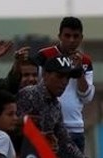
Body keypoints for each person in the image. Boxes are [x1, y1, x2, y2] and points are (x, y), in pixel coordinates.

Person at [34, 16, 94, 152]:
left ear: (81, 38)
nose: (71, 40)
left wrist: (79, 72)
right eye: (67, 36)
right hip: (48, 127)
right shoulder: (44, 55)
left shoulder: (85, 61)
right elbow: (35, 87)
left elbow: (87, 97)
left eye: (75, 36)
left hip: (74, 127)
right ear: (59, 36)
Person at [16, 55, 84, 158]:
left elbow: (65, 142)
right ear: (45, 74)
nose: (65, 82)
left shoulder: (56, 105)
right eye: (60, 76)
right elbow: (12, 130)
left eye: (68, 78)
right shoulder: (28, 95)